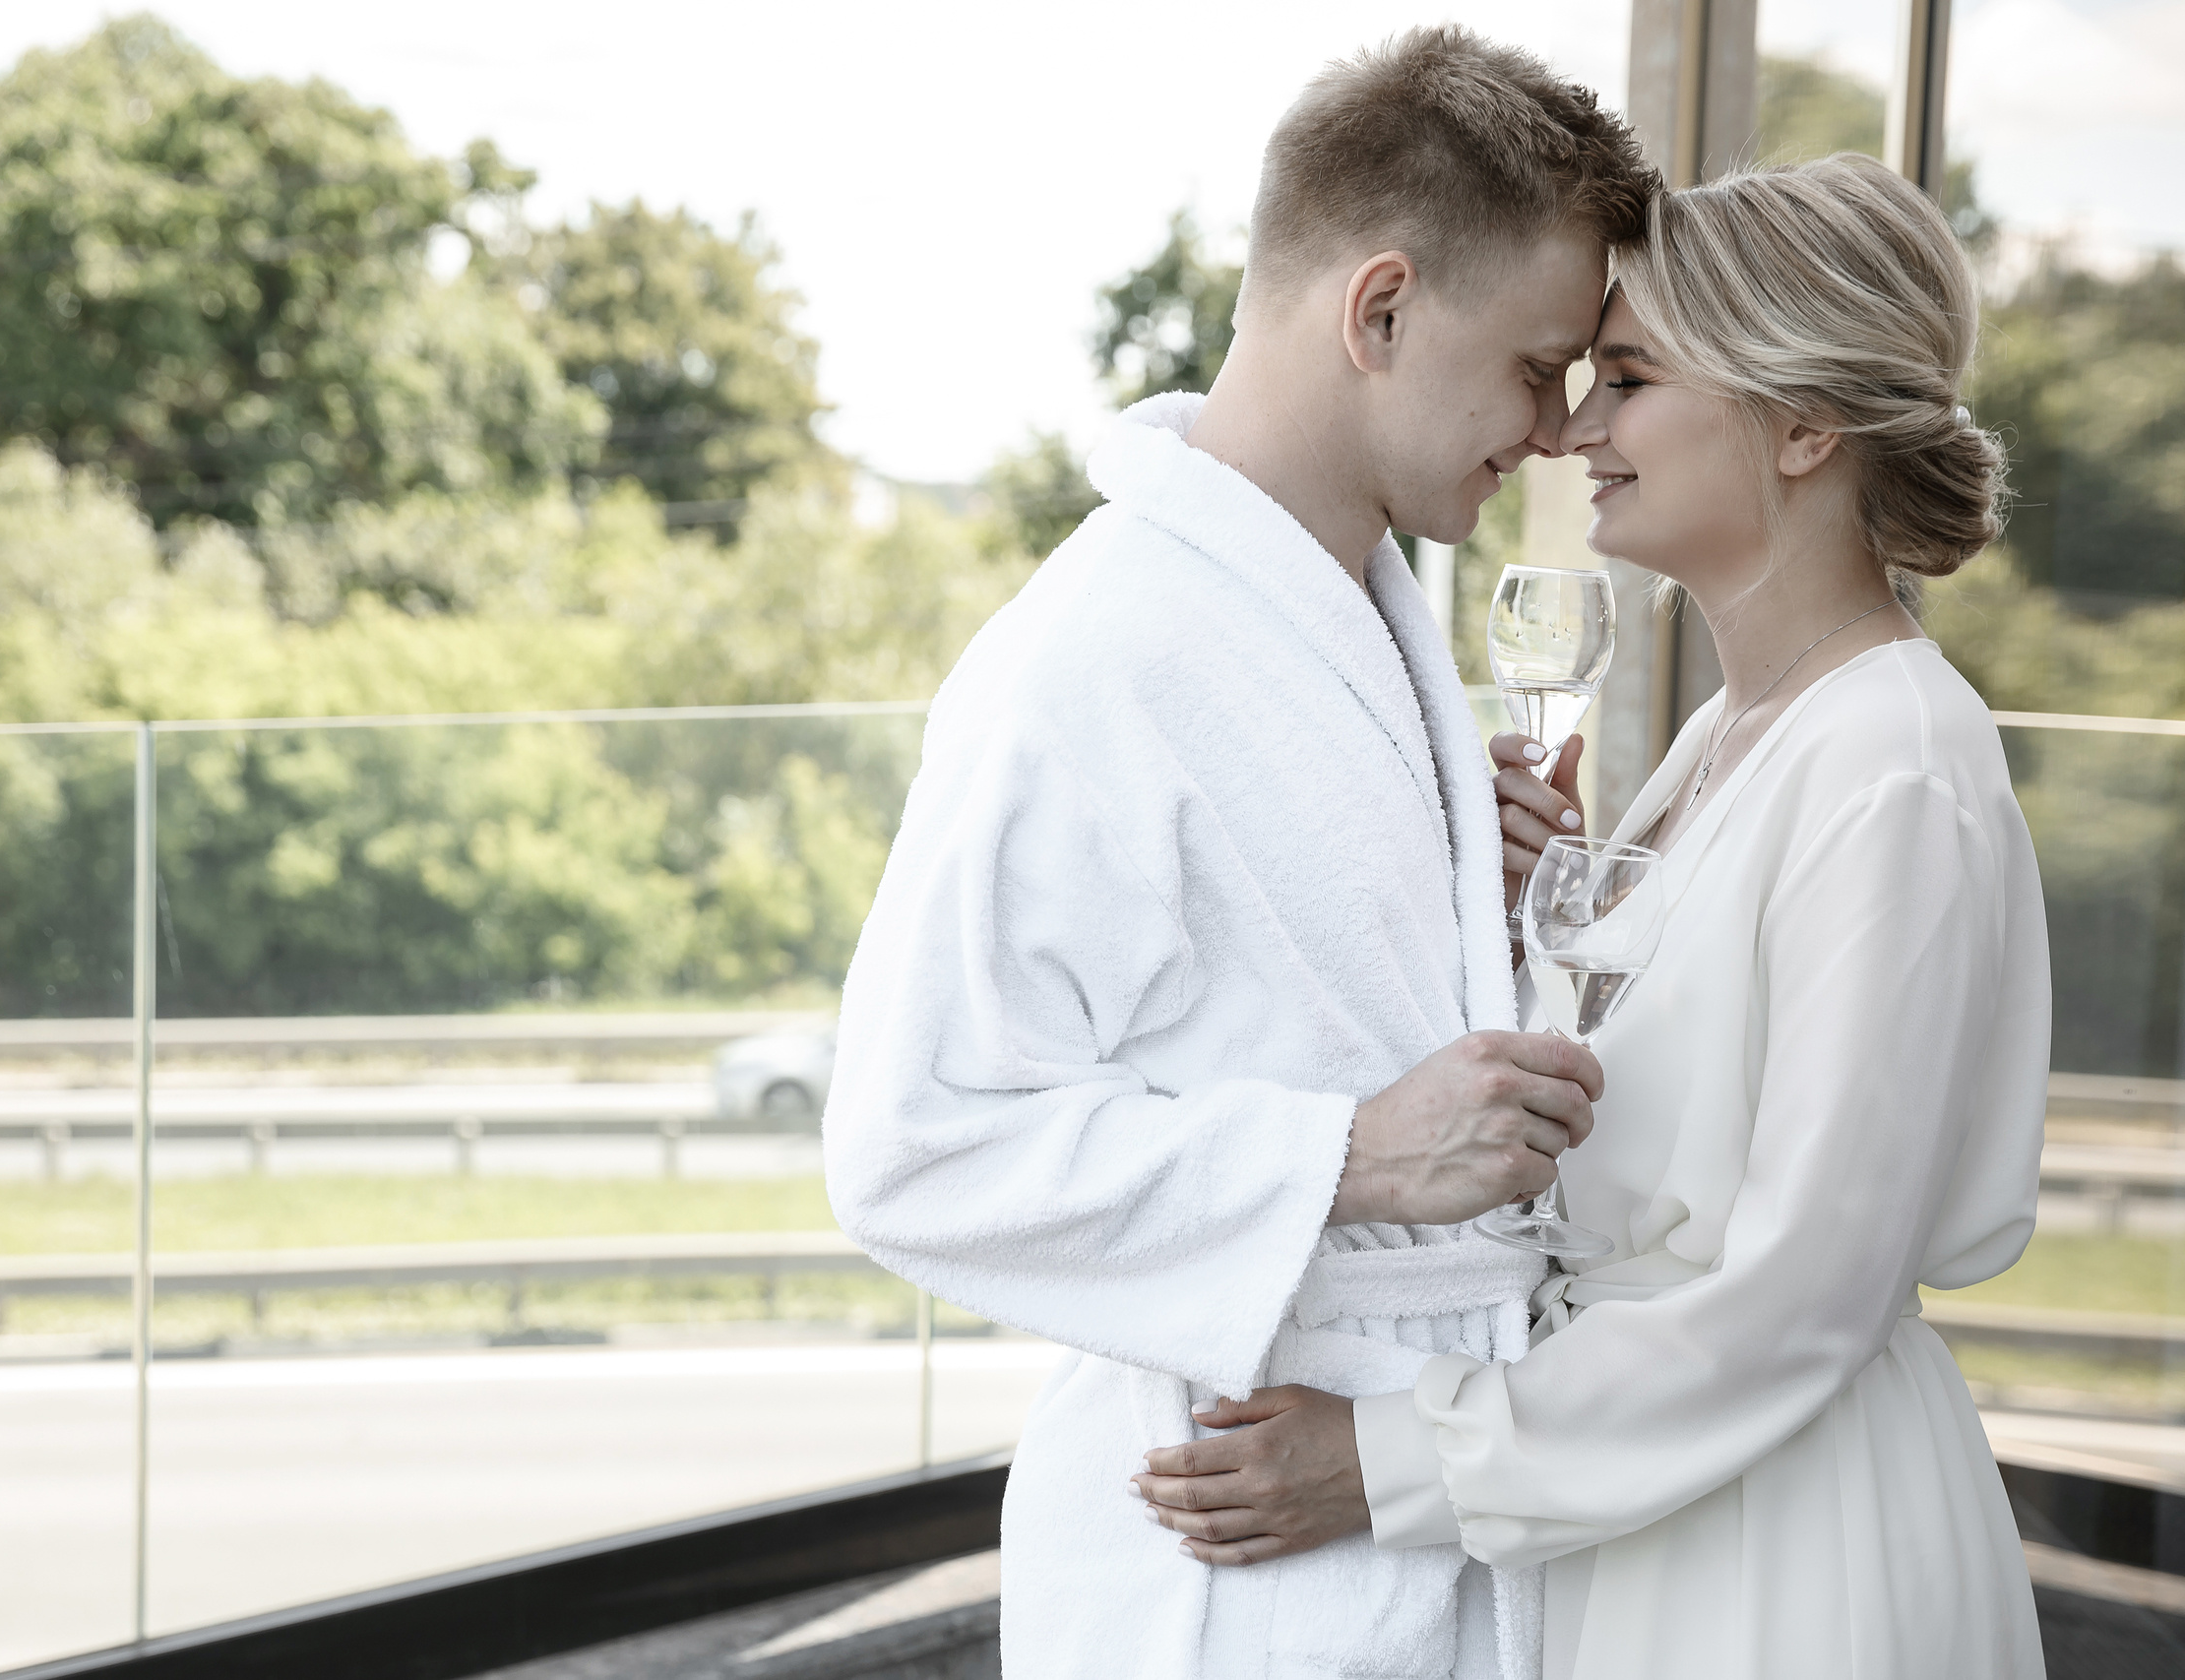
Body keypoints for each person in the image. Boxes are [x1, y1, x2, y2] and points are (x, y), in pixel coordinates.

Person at [1139, 155, 2050, 1678]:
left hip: (1783, 1560)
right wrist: (1491, 910)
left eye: (1624, 379)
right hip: (1641, 1519)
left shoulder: (1895, 765)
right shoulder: (1731, 739)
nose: (1570, 431)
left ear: (1804, 422)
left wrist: (1386, 1462)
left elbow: (1799, 1301)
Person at [824, 28, 1658, 1680]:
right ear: (1382, 310)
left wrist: (1450, 900)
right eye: (1537, 365)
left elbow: (1261, 982)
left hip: (1402, 1512)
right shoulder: (1092, 659)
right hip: (1234, 1559)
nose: (1560, 429)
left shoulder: (1347, 609)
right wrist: (1348, 1154)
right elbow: (910, 1149)